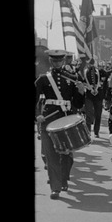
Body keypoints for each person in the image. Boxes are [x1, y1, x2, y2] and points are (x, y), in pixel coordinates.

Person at [35, 48, 87, 199]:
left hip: (66, 119)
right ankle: (55, 187)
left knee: (66, 154)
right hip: (48, 120)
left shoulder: (72, 78)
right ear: (51, 61)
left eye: (60, 60)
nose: (57, 62)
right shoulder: (43, 79)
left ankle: (64, 179)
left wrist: (81, 92)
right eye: (54, 60)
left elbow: (77, 104)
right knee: (51, 155)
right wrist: (37, 115)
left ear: (64, 61)